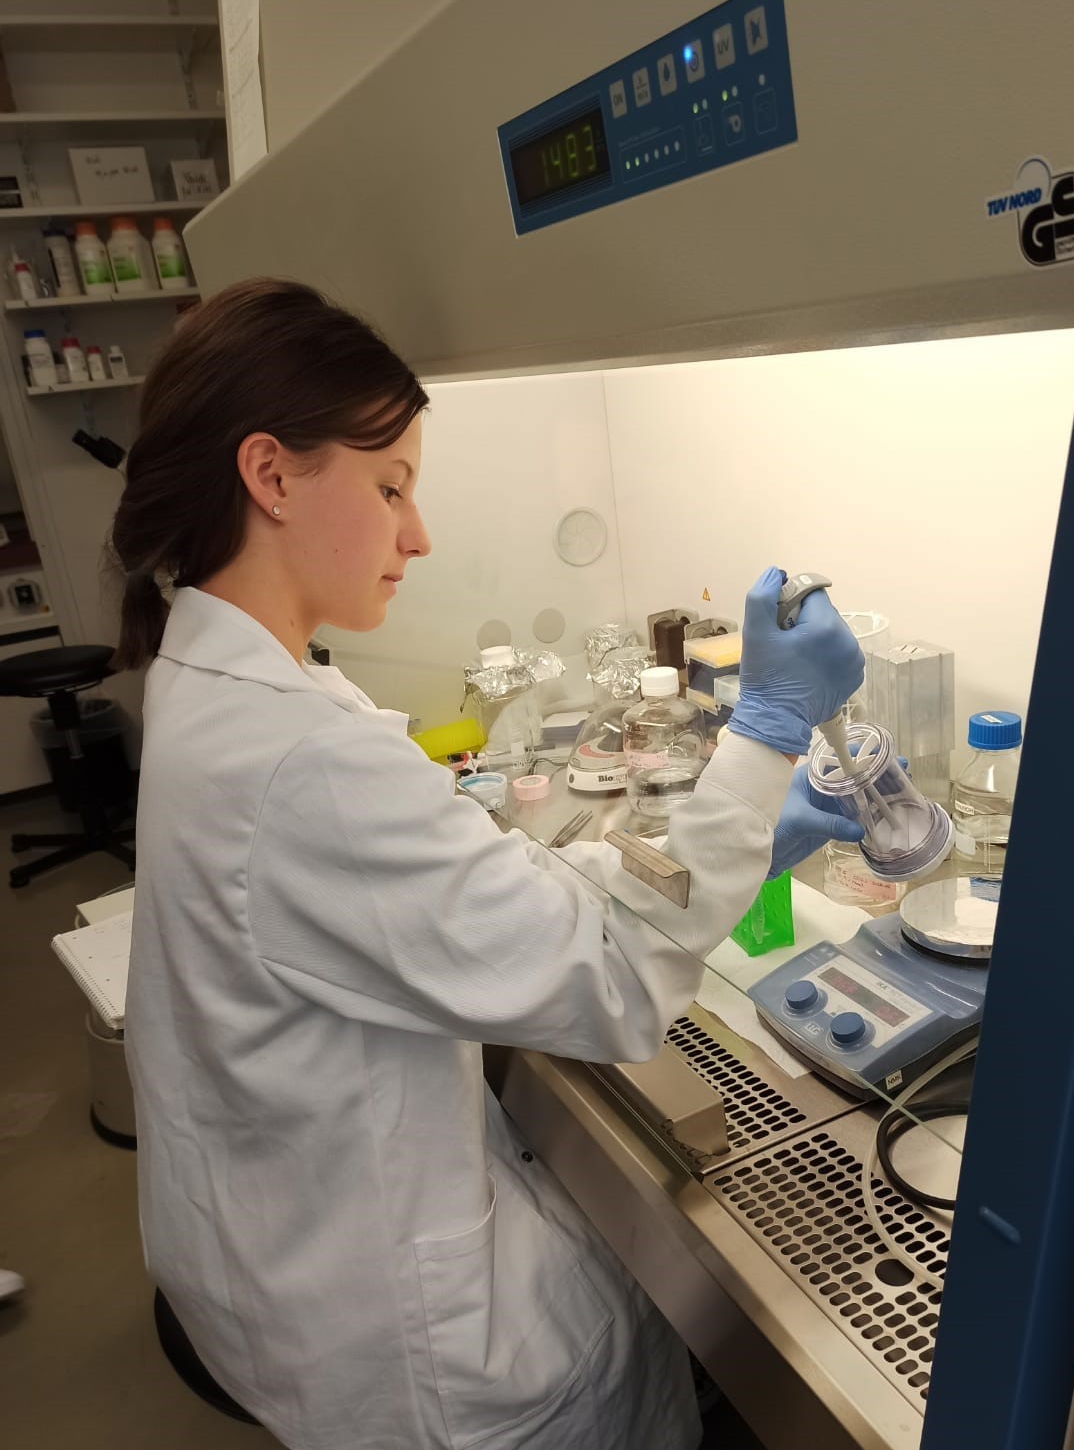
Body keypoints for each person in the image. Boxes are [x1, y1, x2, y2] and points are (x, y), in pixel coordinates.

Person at [112, 278, 864, 1450]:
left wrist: (750, 835)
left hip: (287, 1257)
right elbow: (611, 979)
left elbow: (500, 895)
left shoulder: (223, 682)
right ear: (270, 474)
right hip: (418, 1353)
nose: (417, 534)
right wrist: (764, 733)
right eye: (390, 486)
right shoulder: (300, 756)